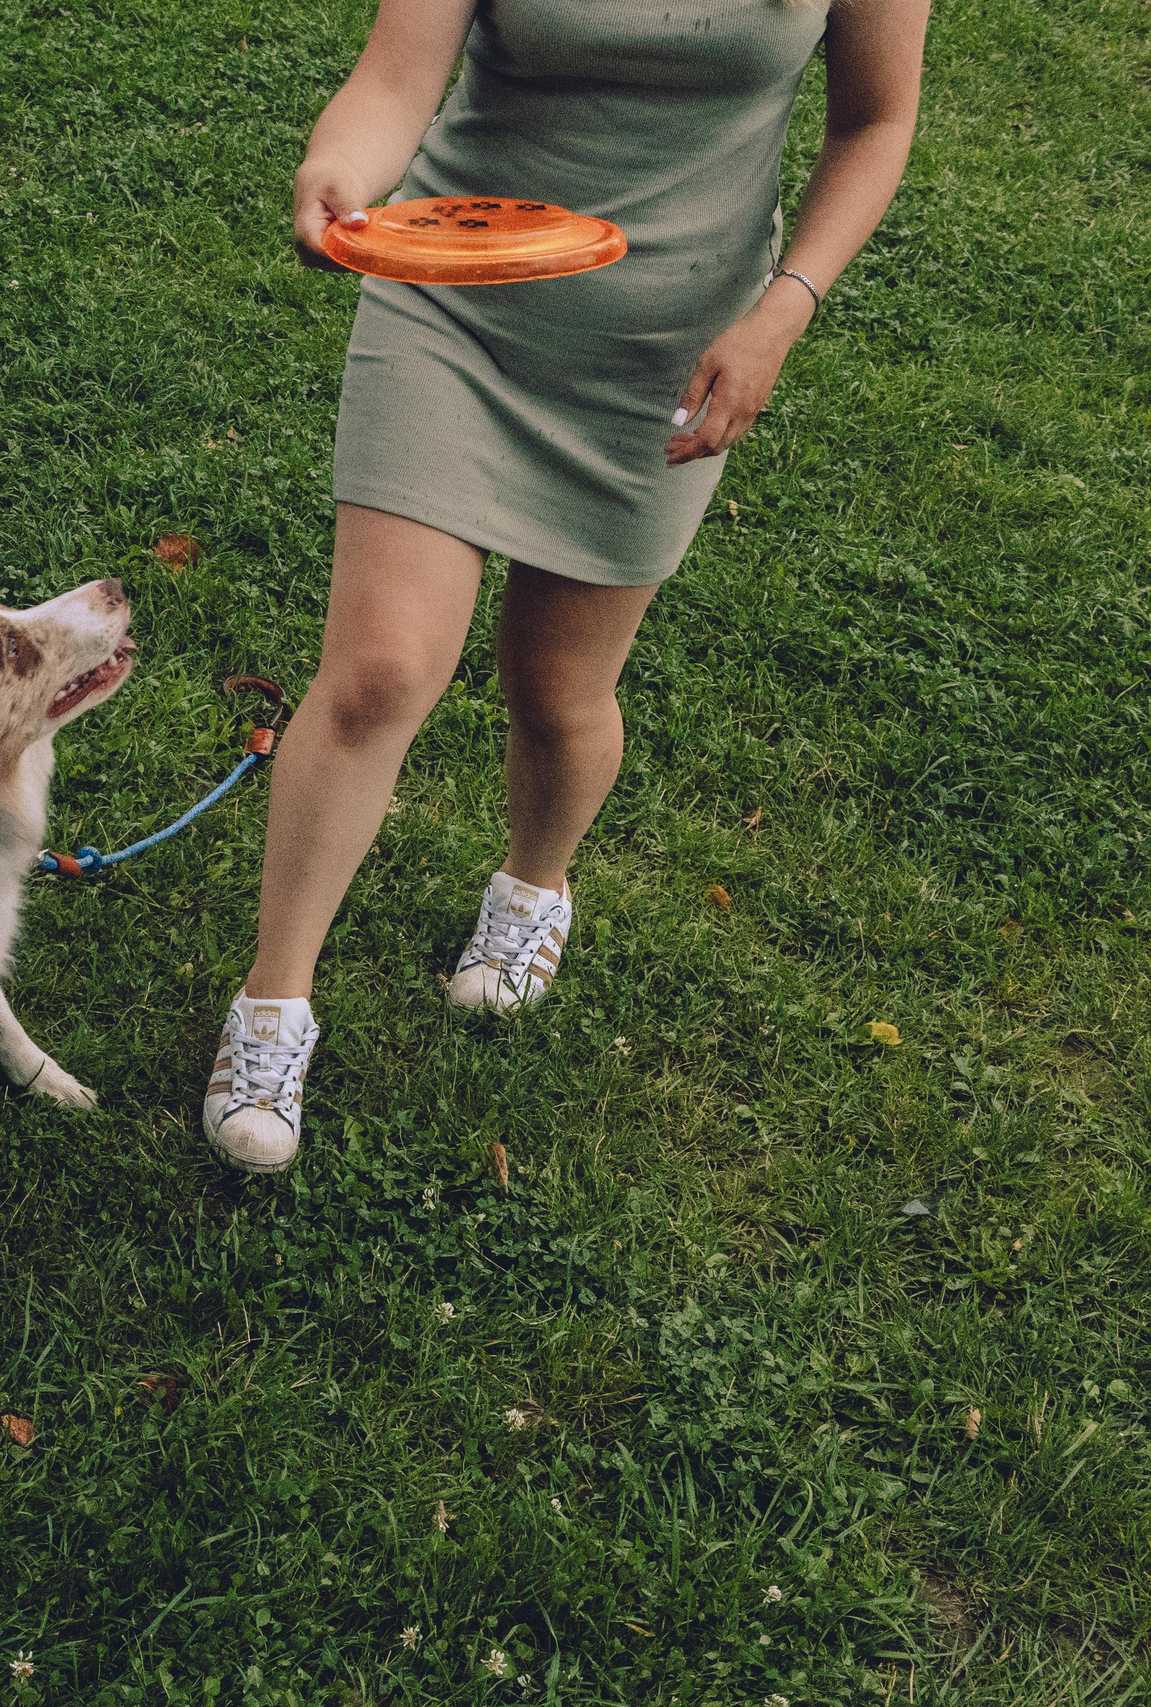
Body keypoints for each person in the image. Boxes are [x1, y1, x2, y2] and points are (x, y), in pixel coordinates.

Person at [203, 0, 930, 1171]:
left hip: (671, 338)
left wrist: (782, 309)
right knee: (381, 671)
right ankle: (270, 1012)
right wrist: (337, 169)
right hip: (453, 295)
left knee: (555, 687)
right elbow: (395, 79)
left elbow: (877, 121)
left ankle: (534, 885)